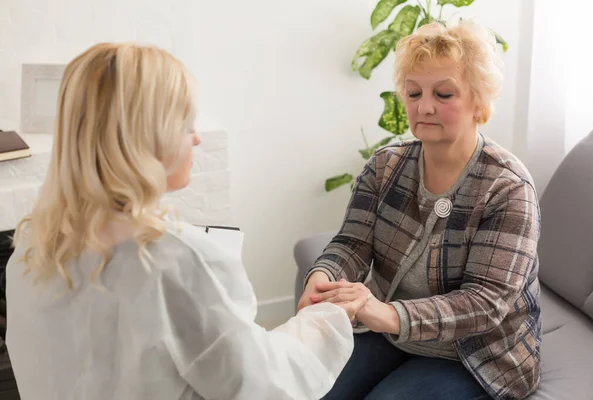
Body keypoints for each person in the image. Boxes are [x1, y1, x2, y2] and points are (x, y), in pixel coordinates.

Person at [5, 43, 368, 400]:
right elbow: (264, 386)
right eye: (185, 125)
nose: (196, 138)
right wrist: (328, 318)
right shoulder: (176, 259)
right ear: (146, 135)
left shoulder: (34, 241)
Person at [299, 21, 541, 400]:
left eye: (444, 94)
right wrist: (323, 274)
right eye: (413, 93)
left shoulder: (507, 188)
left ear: (479, 102)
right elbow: (352, 242)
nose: (423, 107)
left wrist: (387, 314)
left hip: (474, 353)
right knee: (311, 387)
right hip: (391, 332)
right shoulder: (385, 166)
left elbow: (486, 303)